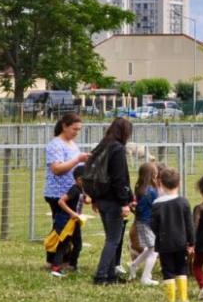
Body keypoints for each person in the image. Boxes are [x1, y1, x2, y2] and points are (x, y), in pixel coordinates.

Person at [89, 117, 133, 285]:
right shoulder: (117, 149)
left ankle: (111, 275)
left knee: (111, 237)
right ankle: (101, 276)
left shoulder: (101, 146)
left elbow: (94, 175)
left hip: (101, 198)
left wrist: (94, 197)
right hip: (114, 200)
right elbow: (119, 179)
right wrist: (124, 202)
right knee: (113, 239)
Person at [44, 113, 89, 267]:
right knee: (61, 229)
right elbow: (56, 169)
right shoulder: (55, 144)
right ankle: (54, 260)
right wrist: (77, 159)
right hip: (58, 194)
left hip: (72, 193)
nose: (76, 132)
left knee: (69, 229)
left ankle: (64, 259)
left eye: (79, 130)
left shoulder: (72, 144)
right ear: (64, 126)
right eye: (74, 129)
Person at [150, 168, 195, 302]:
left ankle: (171, 300)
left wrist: (159, 233)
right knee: (182, 268)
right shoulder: (184, 202)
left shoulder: (156, 205)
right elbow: (190, 225)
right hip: (181, 243)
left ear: (161, 184)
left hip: (164, 243)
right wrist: (192, 242)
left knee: (167, 270)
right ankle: (183, 298)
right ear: (179, 183)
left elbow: (153, 224)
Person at [44, 165, 88, 277]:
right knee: (63, 245)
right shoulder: (74, 189)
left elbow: (85, 200)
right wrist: (72, 213)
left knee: (78, 245)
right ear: (79, 179)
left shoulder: (82, 189)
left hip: (76, 222)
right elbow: (61, 201)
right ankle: (56, 268)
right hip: (67, 223)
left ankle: (72, 265)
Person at [128, 162, 160, 285]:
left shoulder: (140, 189)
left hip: (141, 223)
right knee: (154, 250)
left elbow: (139, 208)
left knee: (149, 249)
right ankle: (145, 278)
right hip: (148, 224)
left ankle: (134, 265)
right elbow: (157, 207)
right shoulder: (151, 192)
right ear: (152, 175)